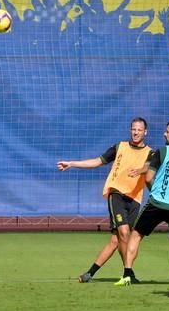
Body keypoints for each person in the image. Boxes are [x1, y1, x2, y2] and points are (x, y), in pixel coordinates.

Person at [58, 118, 151, 283]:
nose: (136, 132)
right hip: (116, 194)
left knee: (117, 240)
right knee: (124, 233)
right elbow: (97, 161)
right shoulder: (119, 147)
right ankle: (128, 273)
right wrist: (72, 163)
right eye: (133, 129)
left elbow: (152, 172)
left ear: (145, 132)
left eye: (139, 130)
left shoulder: (150, 153)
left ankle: (90, 274)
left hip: (135, 200)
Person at [115, 120, 169, 287]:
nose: (164, 134)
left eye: (167, 132)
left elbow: (148, 177)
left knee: (136, 235)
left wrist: (156, 190)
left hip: (157, 203)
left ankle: (127, 273)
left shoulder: (162, 151)